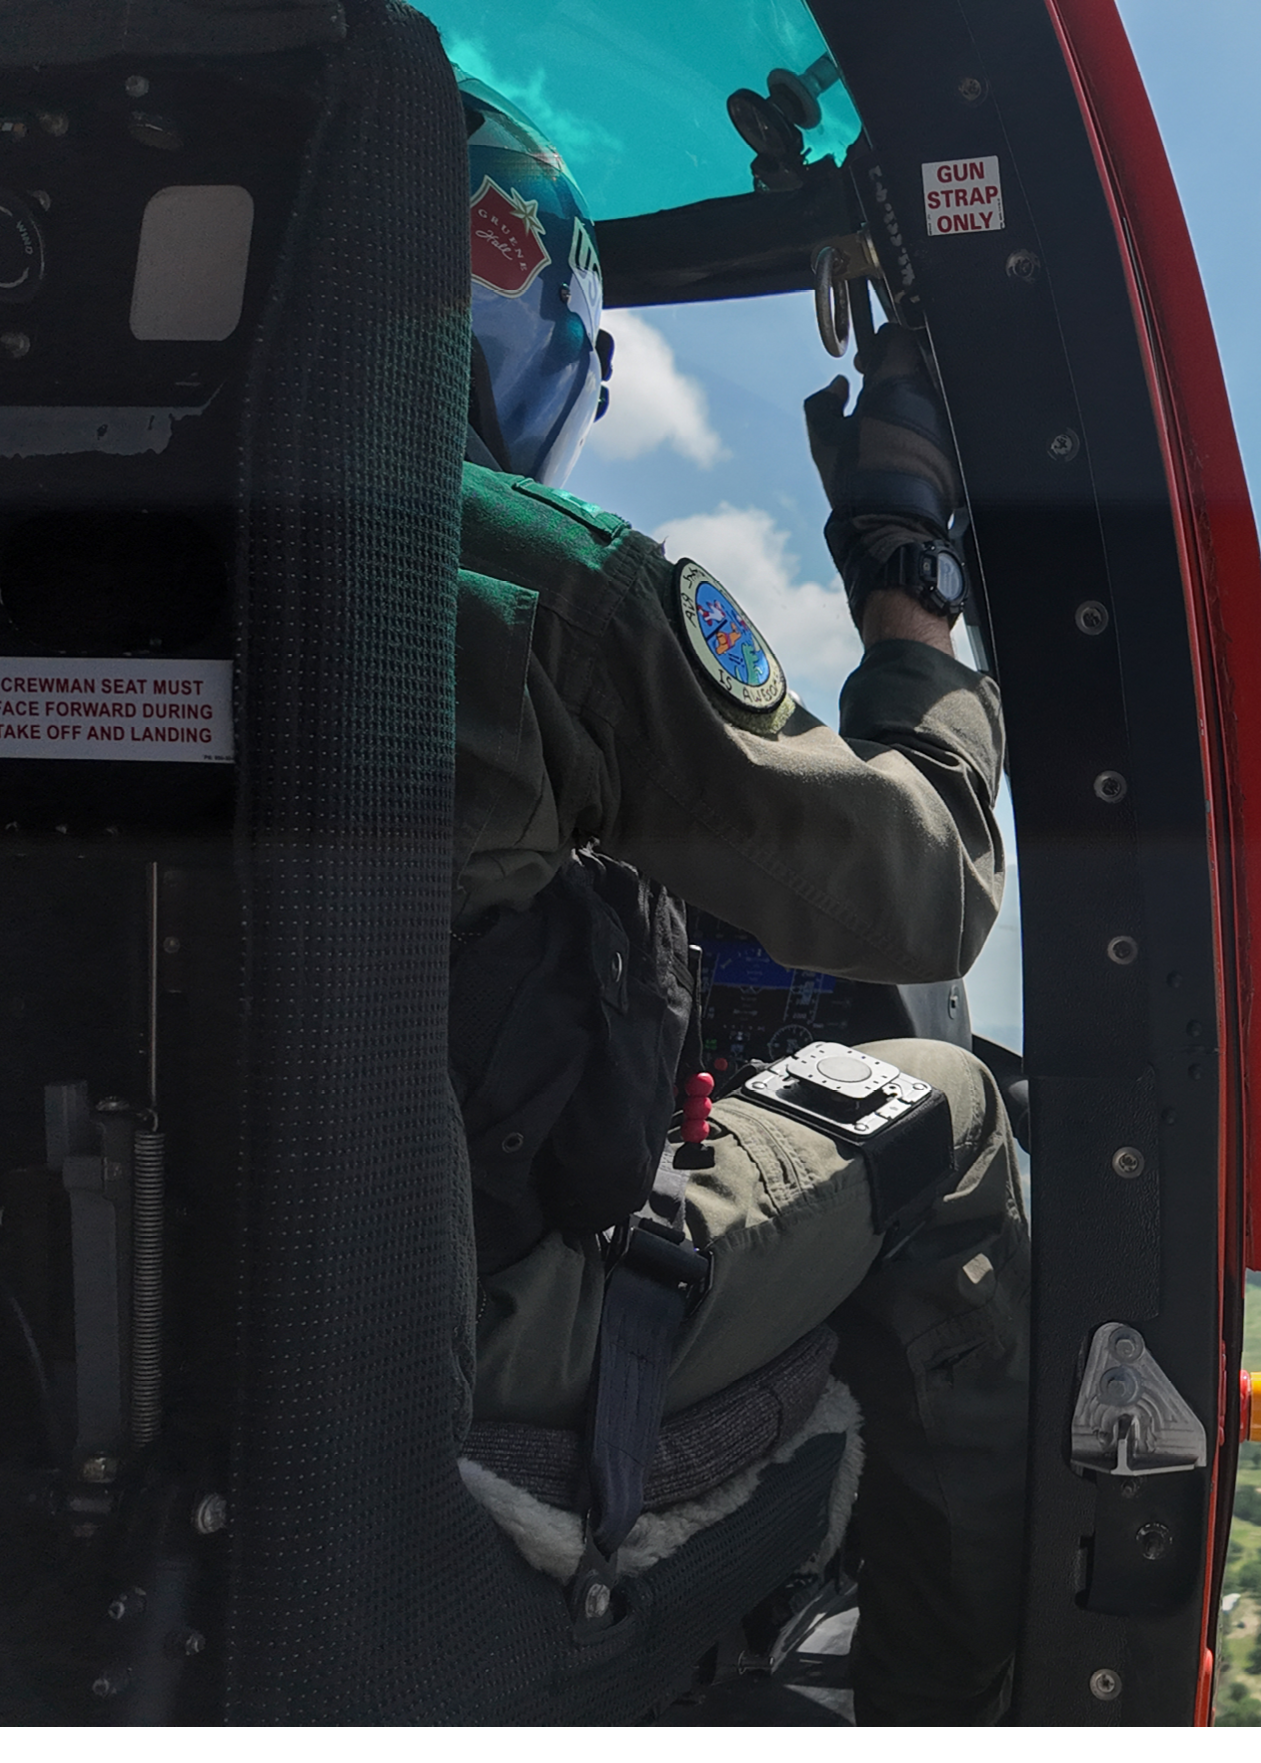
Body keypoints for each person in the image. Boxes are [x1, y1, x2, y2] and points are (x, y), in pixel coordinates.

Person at [444, 76, 1027, 1725]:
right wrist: (909, 601)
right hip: (446, 1320)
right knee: (950, 1109)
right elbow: (924, 891)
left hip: (52, 1313)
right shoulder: (529, 572)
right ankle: (947, 1707)